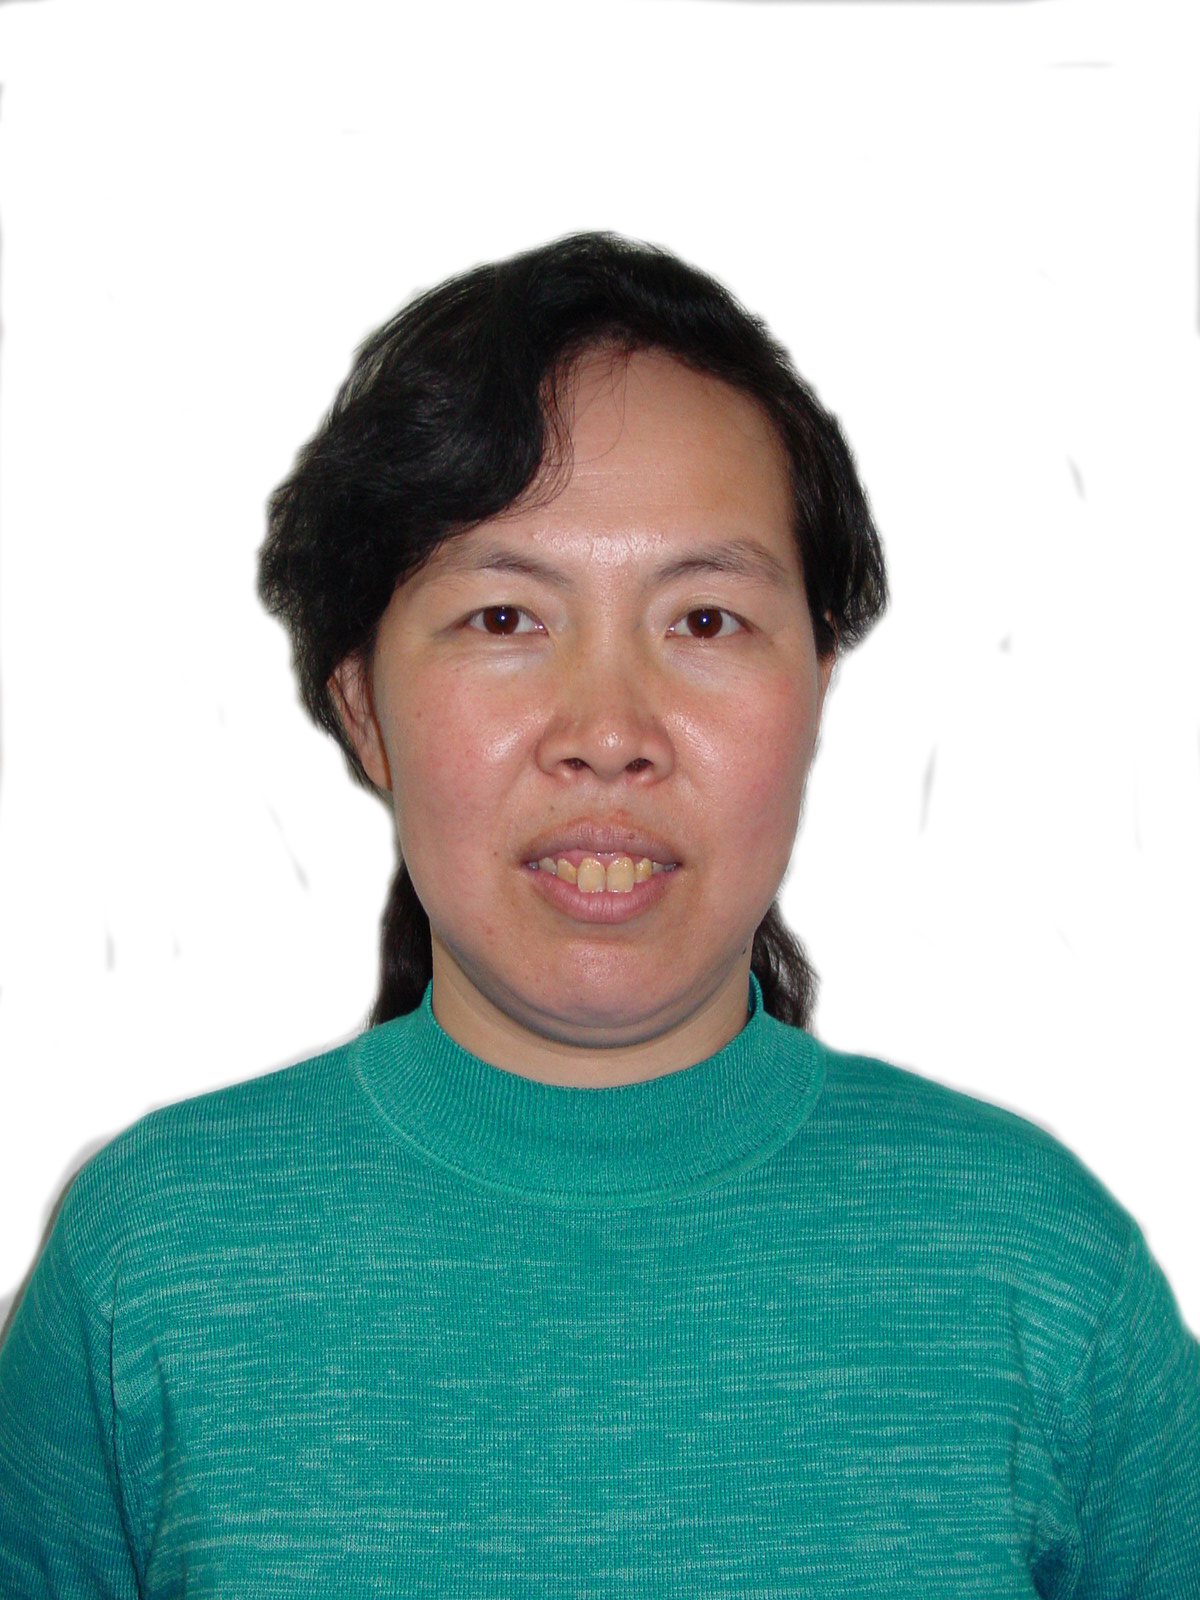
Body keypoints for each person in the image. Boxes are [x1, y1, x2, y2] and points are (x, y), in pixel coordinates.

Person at [0, 231, 1196, 1595]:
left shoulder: (1039, 1268)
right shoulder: (153, 1261)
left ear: (815, 690)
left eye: (706, 621)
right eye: (506, 618)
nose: (611, 731)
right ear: (362, 709)